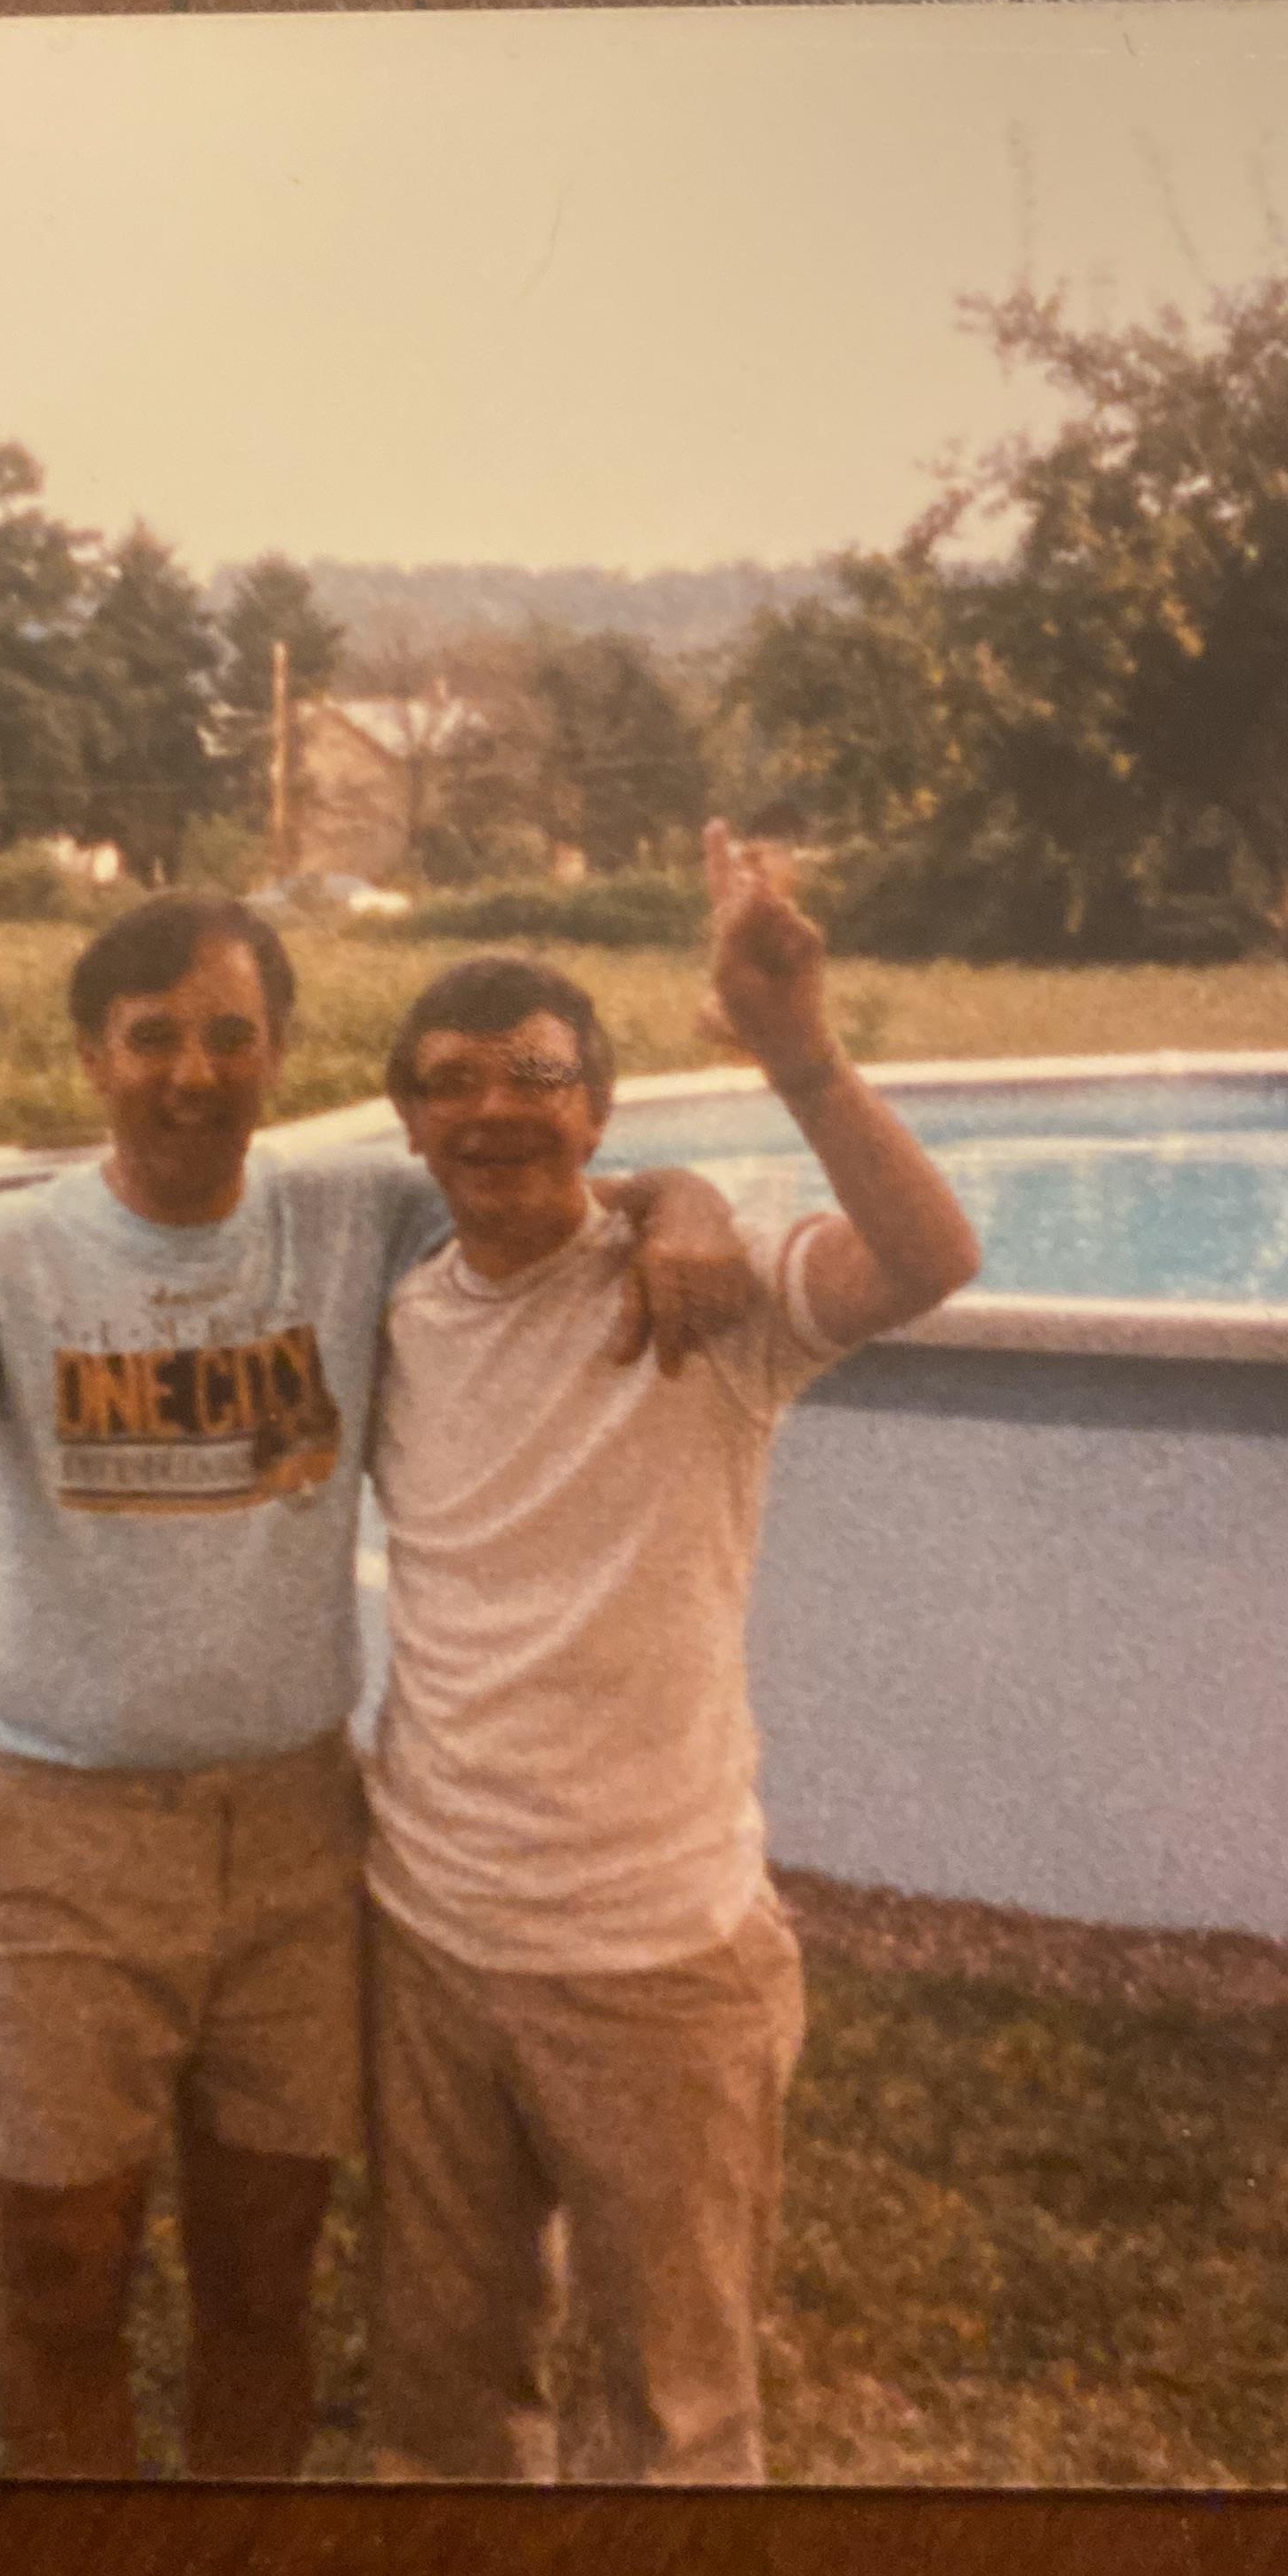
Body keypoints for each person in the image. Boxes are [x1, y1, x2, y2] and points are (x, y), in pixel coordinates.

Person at [0, 889, 750, 2481]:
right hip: (58, 1838)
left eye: (230, 1034)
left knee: (264, 2283)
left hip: (294, 1838)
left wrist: (686, 1198)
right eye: (153, 1037)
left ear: (278, 1052)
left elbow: (535, 1173)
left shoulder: (355, 1214)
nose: (192, 1072)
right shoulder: (4, 1250)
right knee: (62, 2280)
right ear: (92, 1056)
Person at [362, 823, 982, 2484]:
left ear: (599, 1106)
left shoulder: (713, 1300)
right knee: (440, 2401)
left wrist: (800, 1060)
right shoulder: (388, 1311)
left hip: (659, 1960)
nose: (496, 1109)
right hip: (424, 1937)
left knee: (675, 2421)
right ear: (408, 1120)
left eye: (540, 1077)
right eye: (452, 1083)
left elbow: (930, 1260)